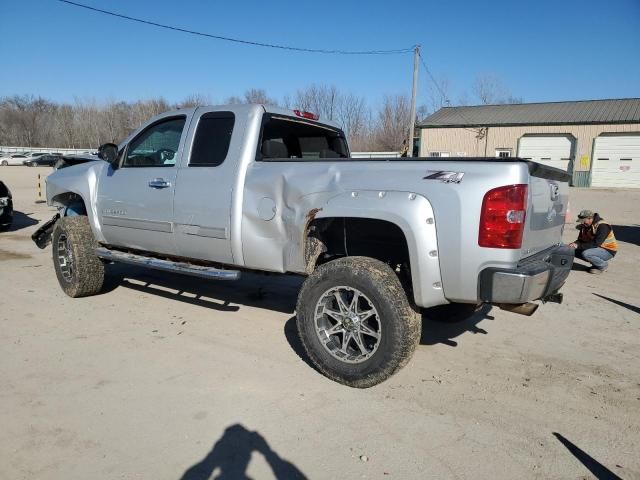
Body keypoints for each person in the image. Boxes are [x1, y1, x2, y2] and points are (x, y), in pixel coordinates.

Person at [568, 209, 618, 274]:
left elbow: (596, 243)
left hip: (608, 250)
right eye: (581, 221)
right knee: (572, 250)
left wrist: (578, 246)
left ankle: (602, 265)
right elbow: (581, 240)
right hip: (596, 248)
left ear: (590, 218)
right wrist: (574, 244)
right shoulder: (585, 226)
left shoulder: (602, 226)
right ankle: (596, 264)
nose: (582, 223)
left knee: (586, 253)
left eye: (584, 221)